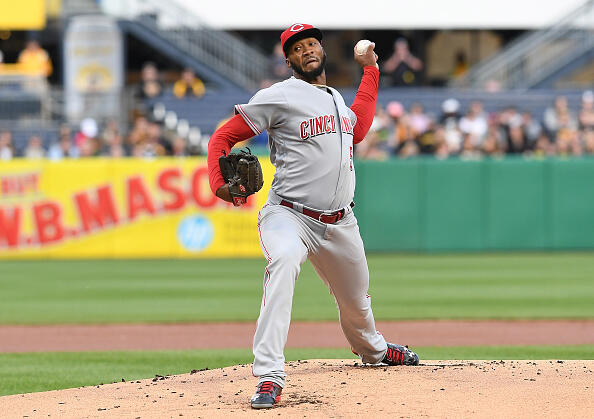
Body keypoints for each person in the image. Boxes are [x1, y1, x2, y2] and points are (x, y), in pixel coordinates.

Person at [207, 23, 419, 410]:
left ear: (322, 50)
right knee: (284, 262)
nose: (307, 49)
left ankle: (374, 350)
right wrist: (217, 180)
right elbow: (222, 138)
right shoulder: (279, 96)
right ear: (288, 59)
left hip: (340, 223)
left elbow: (359, 128)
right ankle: (269, 374)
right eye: (297, 47)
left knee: (357, 303)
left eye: (312, 43)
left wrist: (371, 70)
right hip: (289, 215)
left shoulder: (335, 98)